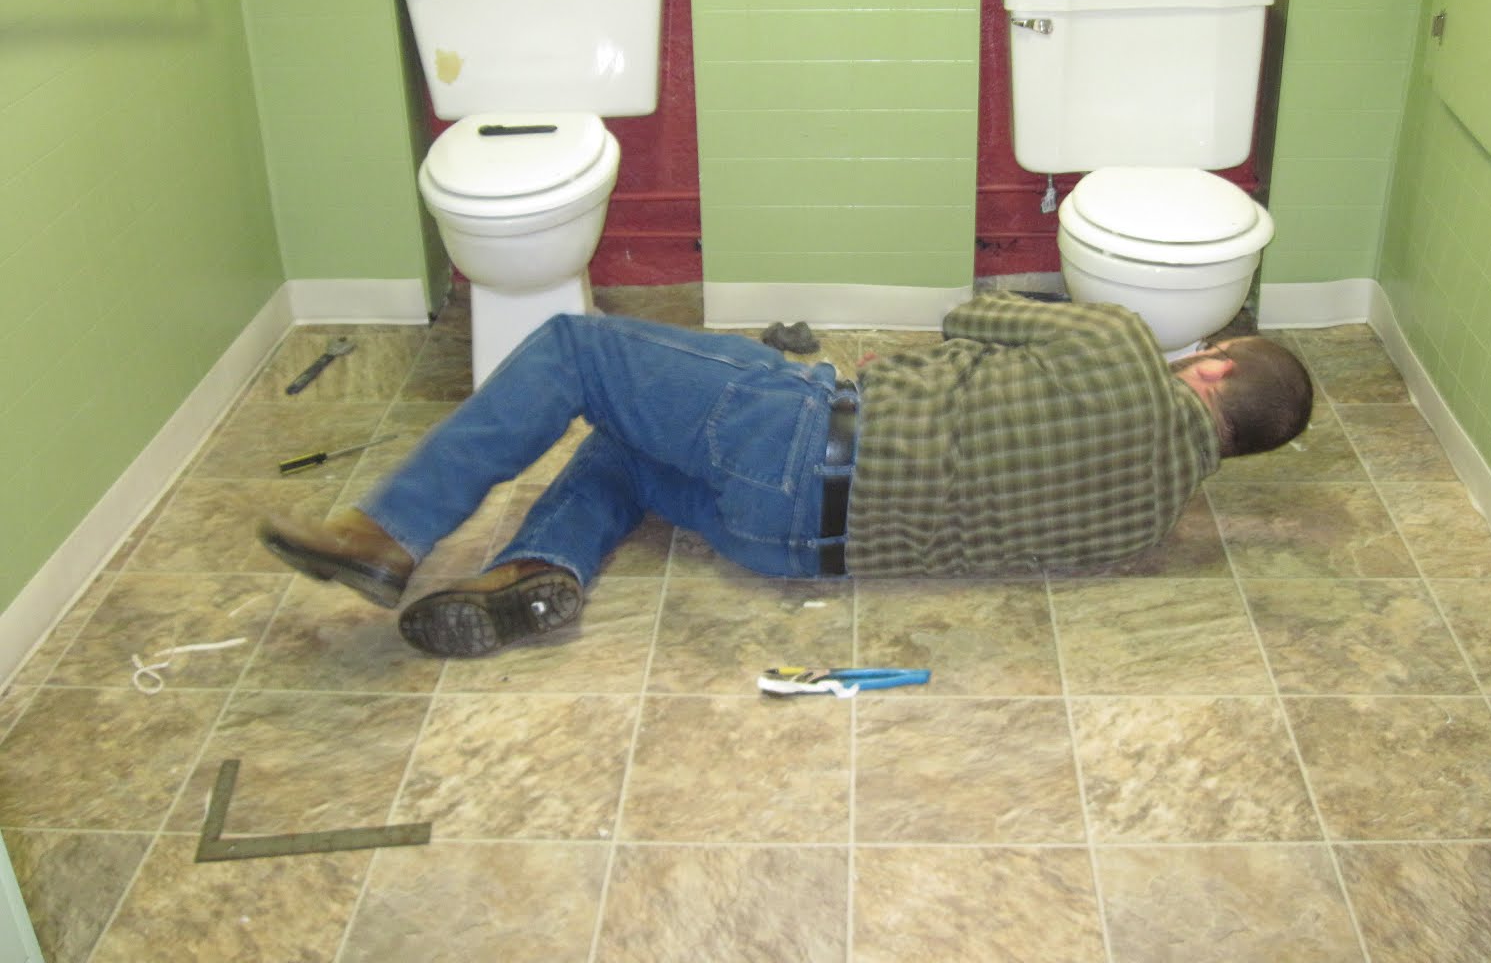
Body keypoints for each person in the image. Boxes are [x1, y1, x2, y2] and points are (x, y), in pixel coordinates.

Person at [259, 293, 1312, 659]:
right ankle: (540, 567)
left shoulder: (1121, 345)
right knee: (627, 446)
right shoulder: (1149, 524)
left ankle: (389, 535)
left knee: (577, 351)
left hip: (798, 440)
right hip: (791, 547)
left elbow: (971, 317)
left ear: (1212, 366)